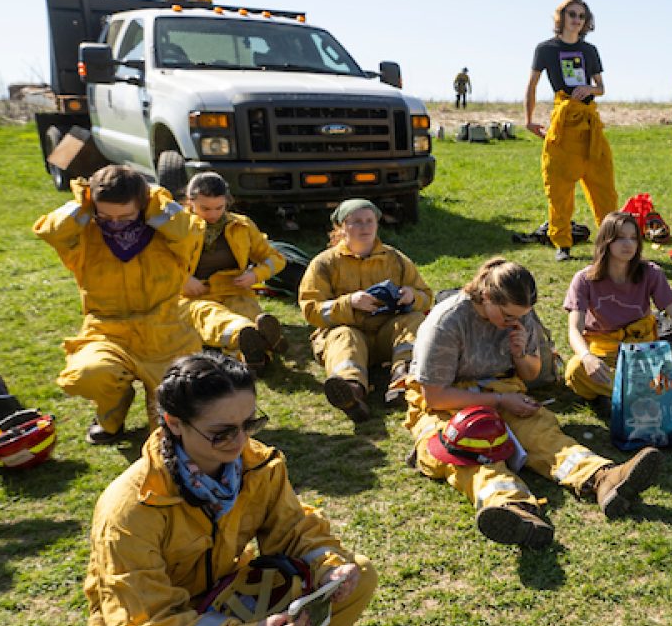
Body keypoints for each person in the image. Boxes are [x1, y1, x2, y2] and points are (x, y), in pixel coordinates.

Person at [68, 353, 431, 626]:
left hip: (230, 603)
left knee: (361, 574)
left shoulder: (256, 464)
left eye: (249, 425)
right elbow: (147, 625)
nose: (239, 443)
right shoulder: (129, 509)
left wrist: (329, 569)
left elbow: (296, 532)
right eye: (222, 433)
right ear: (174, 422)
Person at [406, 258, 662, 548]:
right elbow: (435, 396)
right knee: (467, 450)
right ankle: (513, 509)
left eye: (520, 316)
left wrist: (519, 354)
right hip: (448, 398)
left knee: (542, 434)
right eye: (506, 316)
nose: (513, 322)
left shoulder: (519, 314)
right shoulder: (446, 322)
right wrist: (500, 400)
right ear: (487, 296)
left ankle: (602, 478)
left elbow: (532, 373)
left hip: (502, 386)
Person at [35, 164, 200, 445]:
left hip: (166, 334)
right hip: (107, 331)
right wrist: (83, 204)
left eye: (126, 216)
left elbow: (190, 230)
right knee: (88, 375)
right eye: (106, 216)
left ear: (143, 206)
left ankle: (157, 401)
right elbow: (50, 231)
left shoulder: (167, 231)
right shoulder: (86, 234)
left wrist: (155, 204)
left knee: (167, 435)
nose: (116, 224)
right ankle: (112, 412)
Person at [298, 198, 432, 423]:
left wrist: (412, 296)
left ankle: (403, 379)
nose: (365, 227)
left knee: (415, 319)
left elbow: (426, 296)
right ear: (341, 228)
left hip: (385, 336)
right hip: (346, 335)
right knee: (345, 336)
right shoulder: (324, 263)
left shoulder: (395, 259)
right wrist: (348, 303)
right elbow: (311, 309)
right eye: (357, 222)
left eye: (370, 221)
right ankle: (352, 392)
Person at [563, 210, 672, 407]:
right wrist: (587, 356)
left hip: (645, 352)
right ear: (606, 241)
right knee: (575, 371)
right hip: (605, 353)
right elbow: (574, 328)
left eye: (633, 238)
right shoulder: (584, 279)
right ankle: (662, 393)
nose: (628, 244)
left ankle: (620, 398)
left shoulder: (651, 273)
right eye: (620, 238)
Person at [525, 0, 617, 261]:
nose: (577, 21)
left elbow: (601, 87)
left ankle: (610, 242)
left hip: (589, 125)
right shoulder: (546, 49)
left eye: (581, 17)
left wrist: (591, 88)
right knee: (559, 188)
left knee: (604, 187)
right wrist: (529, 119)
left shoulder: (590, 51)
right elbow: (531, 85)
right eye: (572, 15)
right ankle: (562, 244)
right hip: (563, 124)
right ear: (561, 17)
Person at [179, 172, 286, 371]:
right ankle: (259, 341)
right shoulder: (176, 228)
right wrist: (183, 279)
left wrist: (255, 275)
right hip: (192, 298)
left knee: (248, 310)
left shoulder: (242, 226)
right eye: (205, 208)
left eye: (219, 208)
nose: (212, 214)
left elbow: (275, 259)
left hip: (235, 291)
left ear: (227, 202)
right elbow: (155, 265)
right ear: (190, 202)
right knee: (211, 316)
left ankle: (254, 359)